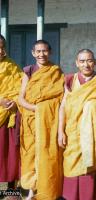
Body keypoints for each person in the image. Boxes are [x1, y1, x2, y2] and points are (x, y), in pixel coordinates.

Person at [58, 49, 96, 200]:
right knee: (71, 164)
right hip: (73, 132)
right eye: (82, 61)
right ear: (76, 63)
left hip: (94, 136)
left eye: (89, 61)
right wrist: (60, 131)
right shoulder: (70, 80)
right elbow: (63, 106)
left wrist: (94, 106)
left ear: (94, 62)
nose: (86, 64)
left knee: (92, 166)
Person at [18, 40, 64, 200]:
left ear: (50, 52)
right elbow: (21, 98)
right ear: (33, 53)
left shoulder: (56, 71)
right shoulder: (28, 71)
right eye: (38, 51)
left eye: (44, 51)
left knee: (46, 153)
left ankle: (46, 189)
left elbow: (60, 96)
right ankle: (31, 191)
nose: (41, 54)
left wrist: (45, 110)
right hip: (31, 118)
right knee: (31, 153)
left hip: (48, 121)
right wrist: (37, 109)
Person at [0, 34, 22, 190]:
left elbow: (22, 87)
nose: (0, 51)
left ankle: (10, 190)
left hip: (10, 116)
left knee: (8, 154)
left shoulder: (12, 65)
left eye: (2, 47)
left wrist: (15, 101)